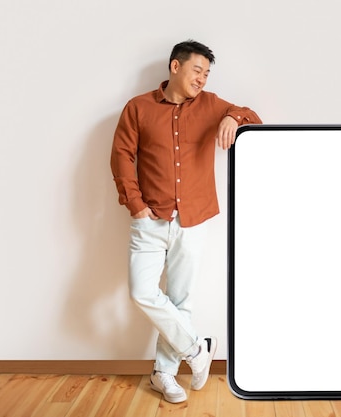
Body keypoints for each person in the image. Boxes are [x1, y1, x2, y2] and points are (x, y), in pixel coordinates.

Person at [110, 40, 262, 403]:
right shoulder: (138, 108)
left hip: (193, 218)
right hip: (149, 217)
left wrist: (232, 116)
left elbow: (252, 116)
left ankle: (164, 373)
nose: (203, 79)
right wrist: (135, 205)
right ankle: (197, 349)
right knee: (141, 292)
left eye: (207, 74)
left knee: (180, 300)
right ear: (175, 67)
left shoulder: (211, 105)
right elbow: (120, 155)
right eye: (198, 71)